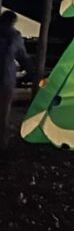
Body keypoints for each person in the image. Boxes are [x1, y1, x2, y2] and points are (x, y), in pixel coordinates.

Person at [0, 10, 35, 149]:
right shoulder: (14, 37)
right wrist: (31, 73)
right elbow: (23, 57)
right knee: (3, 112)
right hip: (6, 78)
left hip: (6, 78)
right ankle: (2, 142)